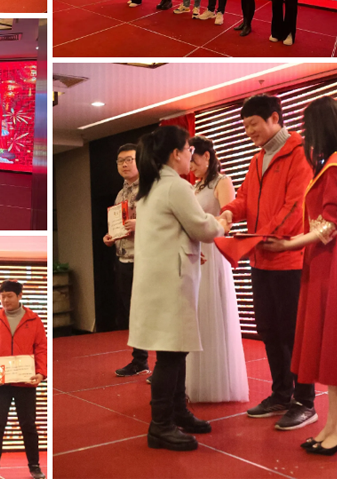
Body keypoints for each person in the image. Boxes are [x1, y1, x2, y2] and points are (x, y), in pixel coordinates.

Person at [263, 97, 337, 456]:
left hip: (332, 260)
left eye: (308, 126)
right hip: (330, 260)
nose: (306, 135)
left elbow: (330, 225)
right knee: (336, 348)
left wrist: (288, 244)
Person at [219, 94, 317, 431]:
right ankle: (281, 394)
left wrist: (262, 236)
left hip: (289, 258)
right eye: (245, 126)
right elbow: (245, 198)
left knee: (294, 332)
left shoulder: (300, 152)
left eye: (253, 124)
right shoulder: (258, 158)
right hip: (260, 258)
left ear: (275, 118)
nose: (249, 132)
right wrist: (229, 212)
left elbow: (295, 205)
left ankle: (305, 401)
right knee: (269, 330)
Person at [128, 126, 227, 452]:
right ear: (175, 154)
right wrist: (222, 223)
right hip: (170, 281)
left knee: (175, 350)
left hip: (161, 279)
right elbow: (202, 226)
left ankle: (177, 412)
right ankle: (160, 425)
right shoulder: (175, 186)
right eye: (188, 150)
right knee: (171, 355)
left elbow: (171, 231)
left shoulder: (153, 185)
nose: (190, 156)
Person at [186, 136, 249, 403]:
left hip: (213, 251)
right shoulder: (194, 186)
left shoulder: (222, 182)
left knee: (213, 311)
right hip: (195, 251)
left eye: (194, 160)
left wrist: (200, 222)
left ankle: (217, 382)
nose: (191, 166)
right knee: (196, 315)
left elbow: (227, 219)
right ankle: (194, 381)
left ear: (207, 156)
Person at [0, 280, 47, 479]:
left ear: (20, 296)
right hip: (0, 383)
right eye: (2, 297)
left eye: (9, 296)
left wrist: (41, 373)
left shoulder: (33, 320)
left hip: (25, 382)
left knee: (29, 425)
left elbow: (41, 348)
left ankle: (34, 466)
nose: (5, 300)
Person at [102, 143, 149, 377]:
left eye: (129, 160)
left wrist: (140, 224)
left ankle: (165, 364)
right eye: (120, 161)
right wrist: (110, 237)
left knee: (151, 312)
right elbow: (118, 225)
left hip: (146, 259)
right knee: (133, 313)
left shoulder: (150, 188)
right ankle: (140, 360)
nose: (124, 165)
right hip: (123, 259)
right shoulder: (121, 193)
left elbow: (164, 221)